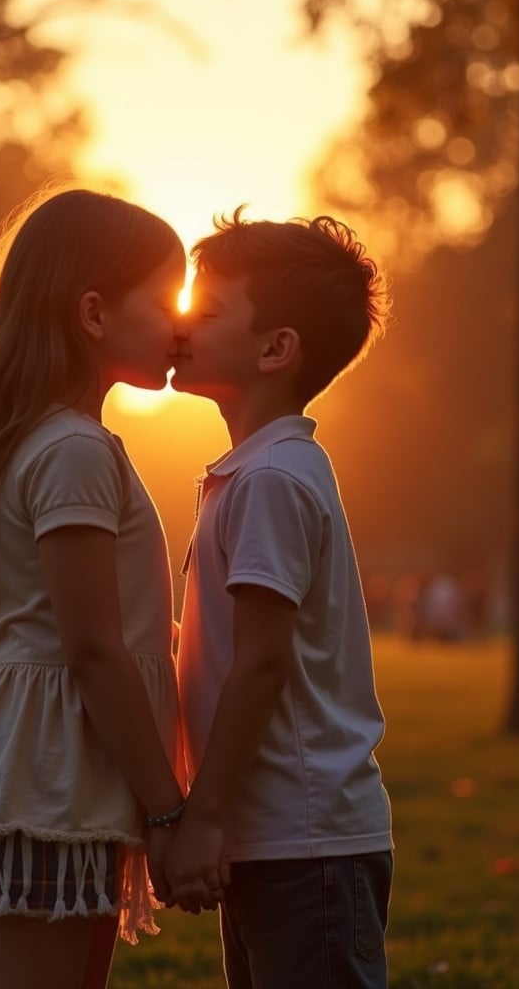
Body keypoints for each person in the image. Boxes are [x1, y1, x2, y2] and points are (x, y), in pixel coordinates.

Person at [0, 187, 195, 989]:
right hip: (47, 777)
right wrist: (170, 810)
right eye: (167, 297)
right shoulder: (72, 451)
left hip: (68, 772)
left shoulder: (67, 442)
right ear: (94, 312)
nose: (183, 321)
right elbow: (93, 648)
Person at [165, 209, 394, 988]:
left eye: (209, 306)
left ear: (275, 348)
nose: (182, 320)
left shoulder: (270, 480)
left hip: (305, 843)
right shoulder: (254, 473)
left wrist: (205, 818)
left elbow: (261, 667)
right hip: (277, 839)